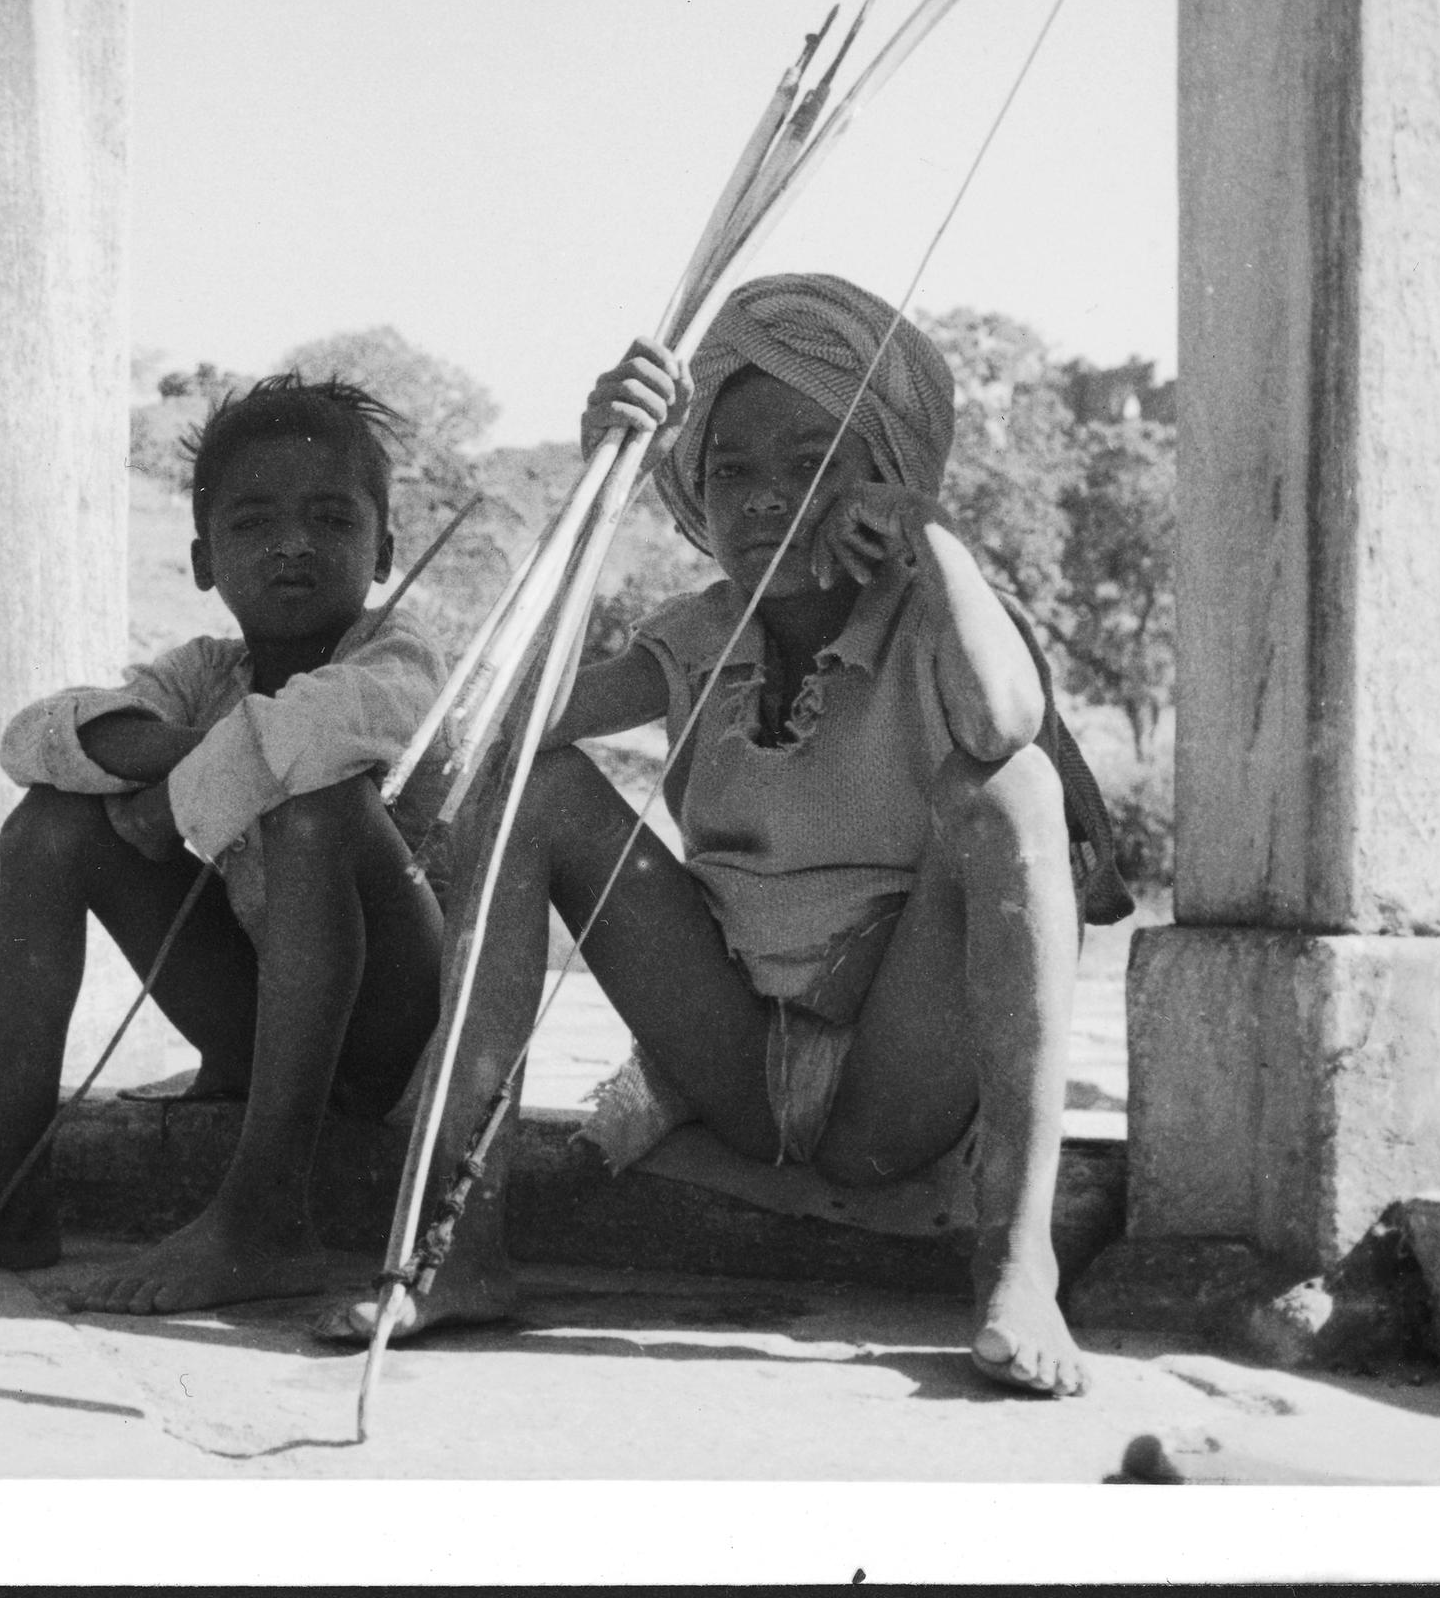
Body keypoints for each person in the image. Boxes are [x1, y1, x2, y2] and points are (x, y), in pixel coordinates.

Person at [323, 272, 1131, 1397]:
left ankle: (1015, 1259)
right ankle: (459, 1239)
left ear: (881, 478)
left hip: (893, 1086)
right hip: (738, 1060)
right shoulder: (695, 636)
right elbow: (502, 723)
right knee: (539, 783)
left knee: (1015, 790)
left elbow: (1002, 719)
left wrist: (929, 535)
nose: (764, 498)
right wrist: (591, 484)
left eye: (811, 464)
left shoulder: (935, 620)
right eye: (733, 468)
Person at [0, 375, 449, 1314]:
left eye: (331, 518)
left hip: (393, 1043)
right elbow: (42, 736)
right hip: (263, 1028)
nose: (294, 543)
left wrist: (161, 806)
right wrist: (188, 767)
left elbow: (314, 736)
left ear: (384, 552)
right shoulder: (207, 672)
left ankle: (265, 1220)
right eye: (254, 523)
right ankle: (10, 1188)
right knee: (49, 827)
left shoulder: (398, 655)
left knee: (315, 803)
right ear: (207, 562)